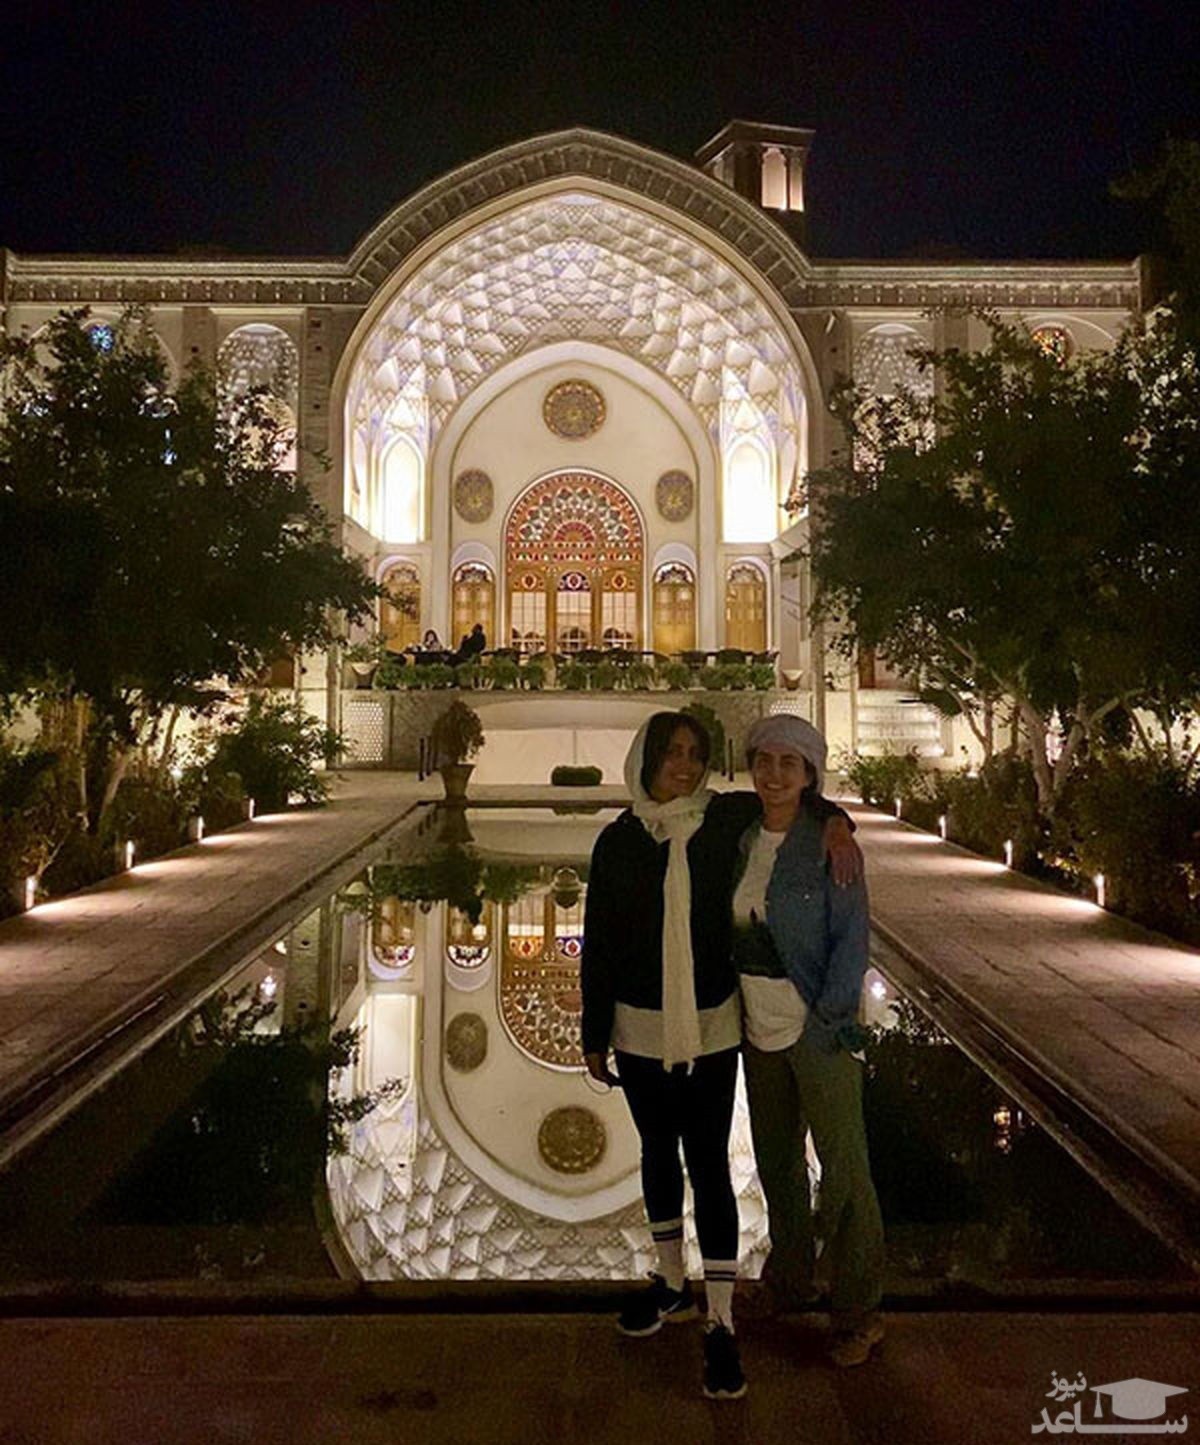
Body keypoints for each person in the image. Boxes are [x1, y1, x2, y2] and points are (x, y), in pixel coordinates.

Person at [581, 711, 858, 1400]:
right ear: (646, 757)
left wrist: (838, 823)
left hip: (711, 1024)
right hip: (638, 1027)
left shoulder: (722, 819)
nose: (683, 765)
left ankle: (722, 1318)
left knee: (707, 1160)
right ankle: (672, 1281)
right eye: (671, 752)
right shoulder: (618, 841)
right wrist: (593, 1030)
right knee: (657, 1152)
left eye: (695, 754)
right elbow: (600, 939)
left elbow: (796, 798)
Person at [732, 714, 885, 1368]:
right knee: (777, 1164)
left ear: (809, 775)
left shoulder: (828, 845)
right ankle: (790, 1280)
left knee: (844, 1170)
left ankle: (857, 1311)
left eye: (788, 764)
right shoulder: (740, 836)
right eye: (764, 761)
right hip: (757, 1027)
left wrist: (831, 1021)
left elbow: (851, 938)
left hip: (816, 1028)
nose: (773, 775)